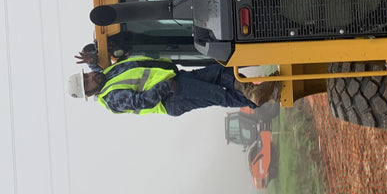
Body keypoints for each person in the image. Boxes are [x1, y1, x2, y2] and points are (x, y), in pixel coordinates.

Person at [68, 45, 280, 116]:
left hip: (176, 79)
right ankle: (259, 97)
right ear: (90, 93)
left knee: (218, 71)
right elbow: (142, 102)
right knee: (219, 95)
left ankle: (254, 92)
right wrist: (167, 86)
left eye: (86, 75)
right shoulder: (111, 99)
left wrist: (92, 61)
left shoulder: (105, 76)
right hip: (171, 96)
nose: (91, 77)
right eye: (87, 83)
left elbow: (97, 71)